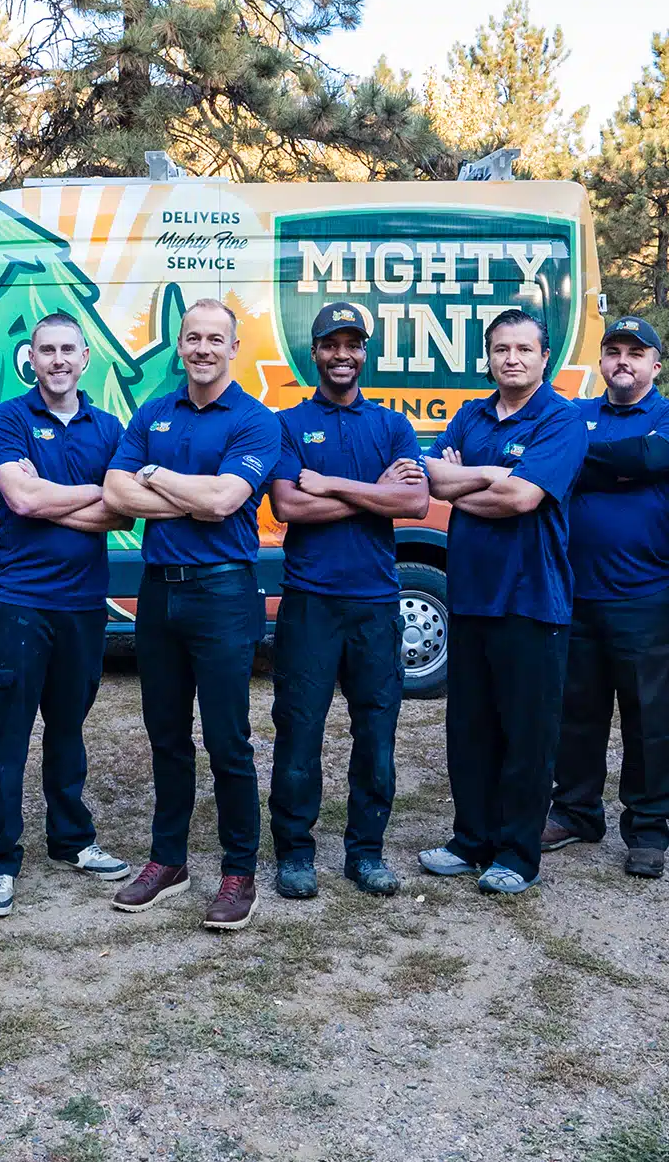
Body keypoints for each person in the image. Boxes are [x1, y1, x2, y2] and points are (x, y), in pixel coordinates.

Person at [102, 298, 281, 931]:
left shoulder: (257, 421)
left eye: (215, 339)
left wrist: (156, 476)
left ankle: (239, 871)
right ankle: (168, 860)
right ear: (180, 346)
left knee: (228, 739)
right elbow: (114, 491)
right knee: (166, 734)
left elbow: (230, 498)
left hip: (223, 594)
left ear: (235, 348)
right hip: (159, 594)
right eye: (192, 338)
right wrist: (192, 496)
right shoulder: (153, 411)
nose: (202, 349)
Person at [0, 312, 135, 919]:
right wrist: (92, 494)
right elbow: (18, 497)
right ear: (31, 359)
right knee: (10, 734)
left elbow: (124, 513)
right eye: (47, 350)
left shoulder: (110, 426)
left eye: (69, 349)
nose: (58, 360)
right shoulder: (9, 419)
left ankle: (72, 840)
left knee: (68, 729)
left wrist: (50, 499)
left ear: (85, 358)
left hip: (83, 605)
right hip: (20, 604)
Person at [420, 309, 588, 895]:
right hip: (470, 597)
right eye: (500, 349)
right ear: (487, 357)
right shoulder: (470, 414)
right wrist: (491, 476)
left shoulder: (562, 420)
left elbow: (520, 498)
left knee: (526, 732)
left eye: (523, 349)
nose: (511, 359)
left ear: (546, 358)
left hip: (532, 599)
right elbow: (429, 480)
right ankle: (471, 840)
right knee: (469, 728)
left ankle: (517, 852)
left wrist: (474, 479)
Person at [266, 302, 428, 900]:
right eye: (330, 345)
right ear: (316, 353)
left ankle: (366, 852)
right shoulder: (287, 425)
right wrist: (376, 492)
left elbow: (413, 505)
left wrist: (333, 484)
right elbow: (289, 507)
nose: (342, 355)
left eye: (352, 344)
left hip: (376, 603)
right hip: (310, 602)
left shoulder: (391, 426)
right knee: (299, 731)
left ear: (365, 352)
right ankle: (296, 852)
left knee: (377, 734)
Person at [542, 315, 669, 879]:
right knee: (576, 713)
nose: (623, 361)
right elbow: (576, 466)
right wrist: (611, 461)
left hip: (647, 594)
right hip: (575, 592)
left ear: (656, 365)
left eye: (636, 353)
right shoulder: (573, 413)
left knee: (648, 717)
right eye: (613, 351)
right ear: (601, 361)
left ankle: (648, 828)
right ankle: (575, 811)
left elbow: (654, 460)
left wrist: (579, 458)